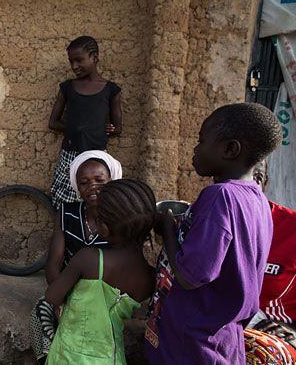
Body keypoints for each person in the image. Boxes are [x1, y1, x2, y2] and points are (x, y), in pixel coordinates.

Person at [145, 103, 283, 363]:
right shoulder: (257, 199)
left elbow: (190, 275)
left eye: (201, 140)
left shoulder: (220, 196)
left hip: (192, 343)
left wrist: (168, 230)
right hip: (222, 337)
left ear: (230, 149)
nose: (195, 149)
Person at [42, 179, 156, 364]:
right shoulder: (150, 277)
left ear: (103, 227)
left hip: (68, 356)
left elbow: (51, 297)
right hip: (111, 358)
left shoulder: (89, 258)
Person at [31, 150, 122, 362]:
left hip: (103, 293)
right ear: (77, 187)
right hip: (67, 286)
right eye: (84, 182)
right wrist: (63, 299)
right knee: (42, 309)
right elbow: (54, 263)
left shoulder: (121, 219)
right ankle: (47, 359)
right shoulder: (67, 212)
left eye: (100, 180)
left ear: (112, 180)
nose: (92, 187)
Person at [48, 36, 123, 209]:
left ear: (95, 58)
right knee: (64, 201)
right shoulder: (67, 87)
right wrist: (79, 128)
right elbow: (53, 123)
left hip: (97, 158)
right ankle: (67, 232)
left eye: (79, 60)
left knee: (95, 200)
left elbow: (118, 128)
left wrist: (107, 128)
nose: (74, 66)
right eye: (71, 61)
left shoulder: (111, 90)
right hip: (69, 154)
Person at [242, 161, 296, 363]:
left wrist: (294, 333)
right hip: (214, 332)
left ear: (260, 181)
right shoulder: (203, 222)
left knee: (255, 352)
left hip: (271, 339)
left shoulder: (292, 229)